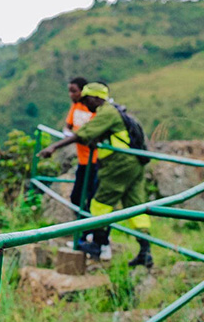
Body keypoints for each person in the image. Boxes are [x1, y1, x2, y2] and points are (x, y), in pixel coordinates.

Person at [37, 82, 153, 267]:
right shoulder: (114, 111)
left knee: (100, 203)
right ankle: (145, 251)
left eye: (87, 99)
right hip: (134, 163)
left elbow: (82, 133)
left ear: (97, 98)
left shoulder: (106, 112)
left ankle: (97, 245)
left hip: (120, 165)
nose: (86, 104)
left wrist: (53, 147)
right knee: (136, 206)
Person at [63, 77, 99, 210]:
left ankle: (88, 229)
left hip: (95, 160)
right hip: (82, 160)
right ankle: (83, 228)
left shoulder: (94, 108)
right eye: (70, 91)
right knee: (76, 197)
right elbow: (68, 125)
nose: (71, 95)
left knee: (91, 197)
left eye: (74, 91)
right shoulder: (75, 106)